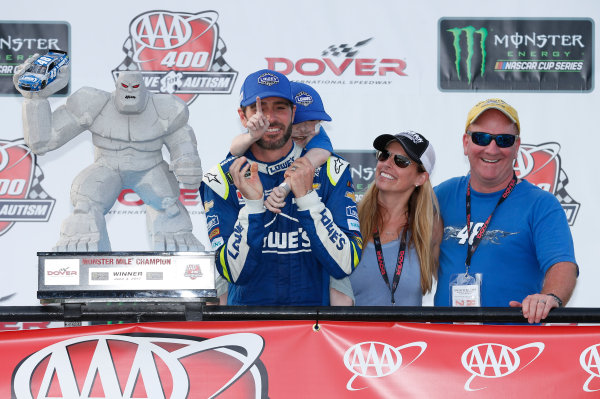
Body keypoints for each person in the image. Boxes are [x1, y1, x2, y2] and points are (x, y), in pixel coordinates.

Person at [201, 69, 363, 305]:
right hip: (247, 334)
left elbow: (344, 264)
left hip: (314, 332)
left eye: (280, 107)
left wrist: (308, 199)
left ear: (293, 112)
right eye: (260, 108)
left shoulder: (331, 170)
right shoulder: (220, 178)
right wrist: (253, 207)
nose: (270, 117)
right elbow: (235, 273)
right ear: (243, 117)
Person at [13, 58, 203, 251]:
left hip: (150, 168)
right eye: (125, 86)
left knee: (169, 210)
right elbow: (43, 142)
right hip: (107, 167)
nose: (130, 91)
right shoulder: (94, 103)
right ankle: (82, 241)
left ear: (144, 89)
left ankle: (176, 242)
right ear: (117, 87)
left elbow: (181, 140)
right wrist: (35, 99)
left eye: (135, 86)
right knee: (85, 208)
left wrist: (186, 160)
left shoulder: (166, 108)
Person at [433, 98, 578, 323]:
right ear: (466, 143)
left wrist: (549, 297)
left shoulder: (541, 204)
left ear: (517, 147)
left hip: (513, 348)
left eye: (504, 140)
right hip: (446, 344)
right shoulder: (440, 196)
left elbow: (563, 264)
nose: (492, 149)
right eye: (481, 138)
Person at [349, 131, 441, 305]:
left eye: (401, 161)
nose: (387, 164)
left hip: (408, 333)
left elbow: (451, 286)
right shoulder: (351, 219)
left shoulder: (431, 228)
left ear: (421, 178)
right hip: (353, 332)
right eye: (384, 155)